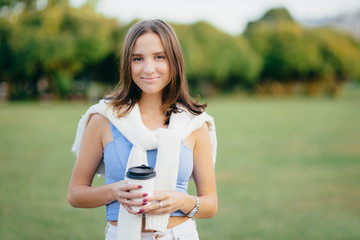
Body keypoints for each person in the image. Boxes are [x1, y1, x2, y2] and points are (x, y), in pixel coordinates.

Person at [68, 19, 217, 240]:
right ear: (127, 65)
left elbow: (210, 204)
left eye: (159, 57)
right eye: (138, 59)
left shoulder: (193, 124)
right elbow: (75, 194)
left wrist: (181, 201)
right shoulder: (103, 119)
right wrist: (115, 191)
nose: (148, 69)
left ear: (174, 61)